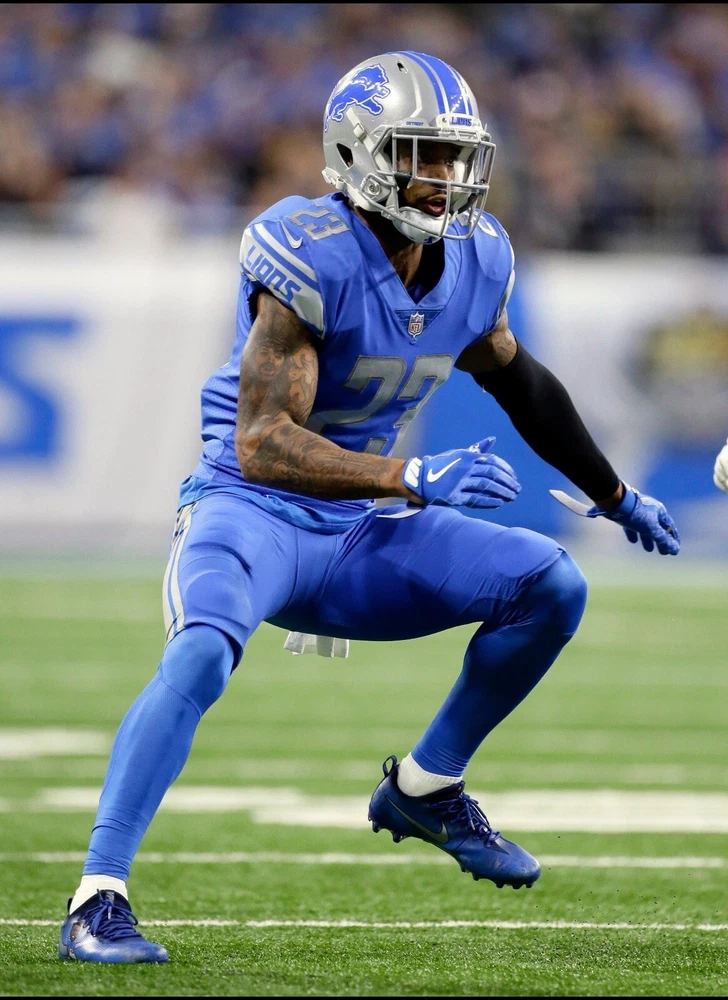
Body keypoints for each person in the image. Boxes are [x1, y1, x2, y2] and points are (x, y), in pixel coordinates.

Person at [59, 51, 680, 964]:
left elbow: (520, 382)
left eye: (456, 156)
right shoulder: (308, 250)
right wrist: (409, 476)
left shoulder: (476, 257)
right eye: (424, 155)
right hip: (252, 511)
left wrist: (614, 494)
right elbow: (262, 442)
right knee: (199, 654)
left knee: (552, 586)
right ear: (360, 153)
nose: (446, 177)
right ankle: (96, 897)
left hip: (359, 533)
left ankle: (427, 787)